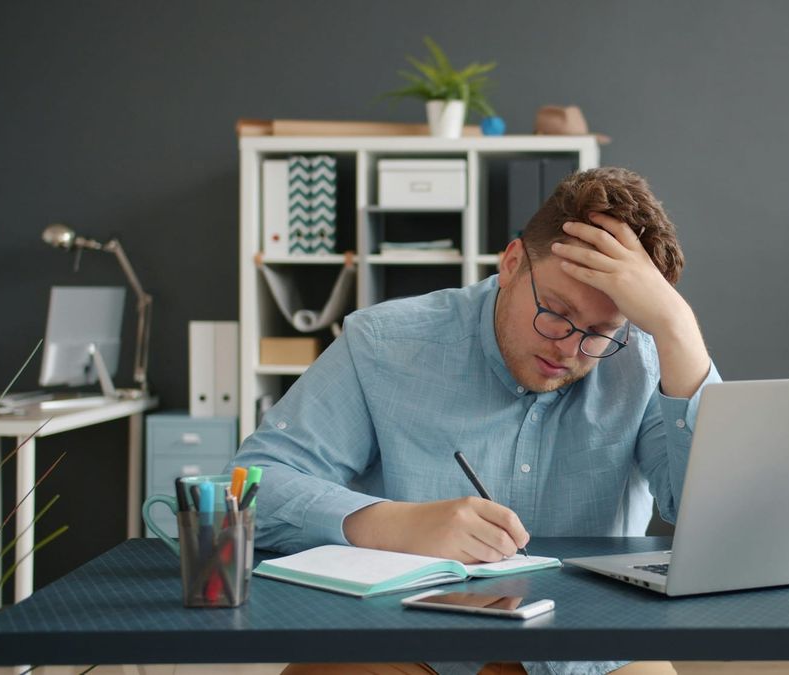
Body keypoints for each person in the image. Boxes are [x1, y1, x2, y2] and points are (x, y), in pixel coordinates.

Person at [233, 167, 721, 675]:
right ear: (511, 264)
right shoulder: (382, 345)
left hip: (592, 655)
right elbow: (246, 491)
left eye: (600, 331)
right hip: (404, 642)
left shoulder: (643, 361)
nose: (570, 347)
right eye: (554, 311)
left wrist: (677, 329)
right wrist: (389, 523)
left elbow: (717, 520)